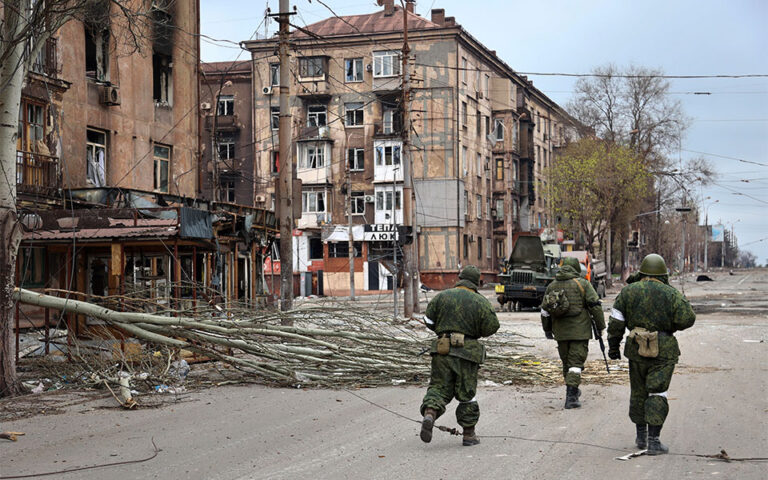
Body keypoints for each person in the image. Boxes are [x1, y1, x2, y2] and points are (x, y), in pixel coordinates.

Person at [607, 253, 695, 455]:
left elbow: (616, 322)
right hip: (663, 349)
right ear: (663, 273)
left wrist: (613, 348)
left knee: (638, 391)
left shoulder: (628, 292)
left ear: (642, 272)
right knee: (657, 392)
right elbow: (688, 319)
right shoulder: (670, 293)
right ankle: (654, 441)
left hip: (636, 349)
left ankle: (641, 436)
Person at [420, 265, 499, 446]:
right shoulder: (481, 302)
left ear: (459, 278)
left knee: (439, 387)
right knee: (467, 393)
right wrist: (474, 332)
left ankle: (430, 413)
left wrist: (443, 330)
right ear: (477, 281)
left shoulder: (442, 296)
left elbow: (428, 321)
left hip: (442, 349)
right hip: (467, 352)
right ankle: (469, 435)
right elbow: (492, 327)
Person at [541, 257, 605, 409]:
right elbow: (595, 306)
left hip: (560, 332)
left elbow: (545, 311)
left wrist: (547, 330)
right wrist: (601, 326)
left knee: (567, 363)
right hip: (580, 331)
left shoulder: (552, 285)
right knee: (575, 364)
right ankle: (571, 398)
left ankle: (573, 391)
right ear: (577, 268)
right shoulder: (583, 284)